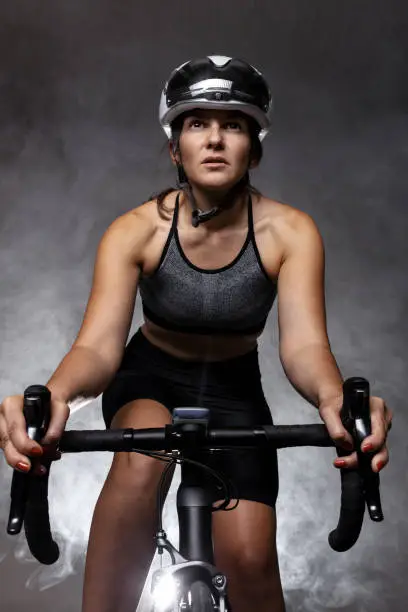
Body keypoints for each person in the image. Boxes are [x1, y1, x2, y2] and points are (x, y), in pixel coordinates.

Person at [0, 55, 392, 612]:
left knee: (252, 563)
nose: (214, 139)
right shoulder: (136, 230)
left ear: (254, 147)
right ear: (174, 147)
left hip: (235, 390)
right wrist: (56, 398)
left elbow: (305, 346)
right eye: (196, 123)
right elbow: (96, 347)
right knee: (141, 462)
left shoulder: (291, 232)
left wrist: (334, 399)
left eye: (233, 124)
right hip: (151, 376)